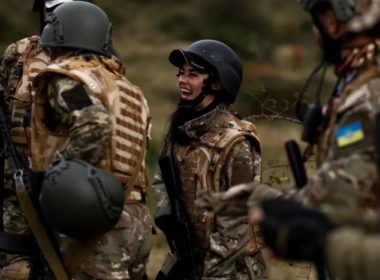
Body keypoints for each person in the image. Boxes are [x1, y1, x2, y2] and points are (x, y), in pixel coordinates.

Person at [27, 1, 153, 279]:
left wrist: (60, 174)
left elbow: (93, 125)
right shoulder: (128, 88)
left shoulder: (70, 76)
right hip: (137, 217)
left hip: (93, 216)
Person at [152, 39, 265, 279]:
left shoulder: (237, 143)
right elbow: (161, 179)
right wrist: (168, 215)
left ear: (216, 83)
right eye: (181, 73)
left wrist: (211, 274)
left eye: (192, 75)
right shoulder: (179, 132)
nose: (182, 80)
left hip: (230, 270)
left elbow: (236, 224)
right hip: (186, 258)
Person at [0, 0, 93, 278]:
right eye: (50, 8)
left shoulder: (87, 59)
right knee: (13, 267)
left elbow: (93, 122)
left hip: (65, 188)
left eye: (63, 8)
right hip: (15, 185)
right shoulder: (18, 52)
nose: (55, 16)